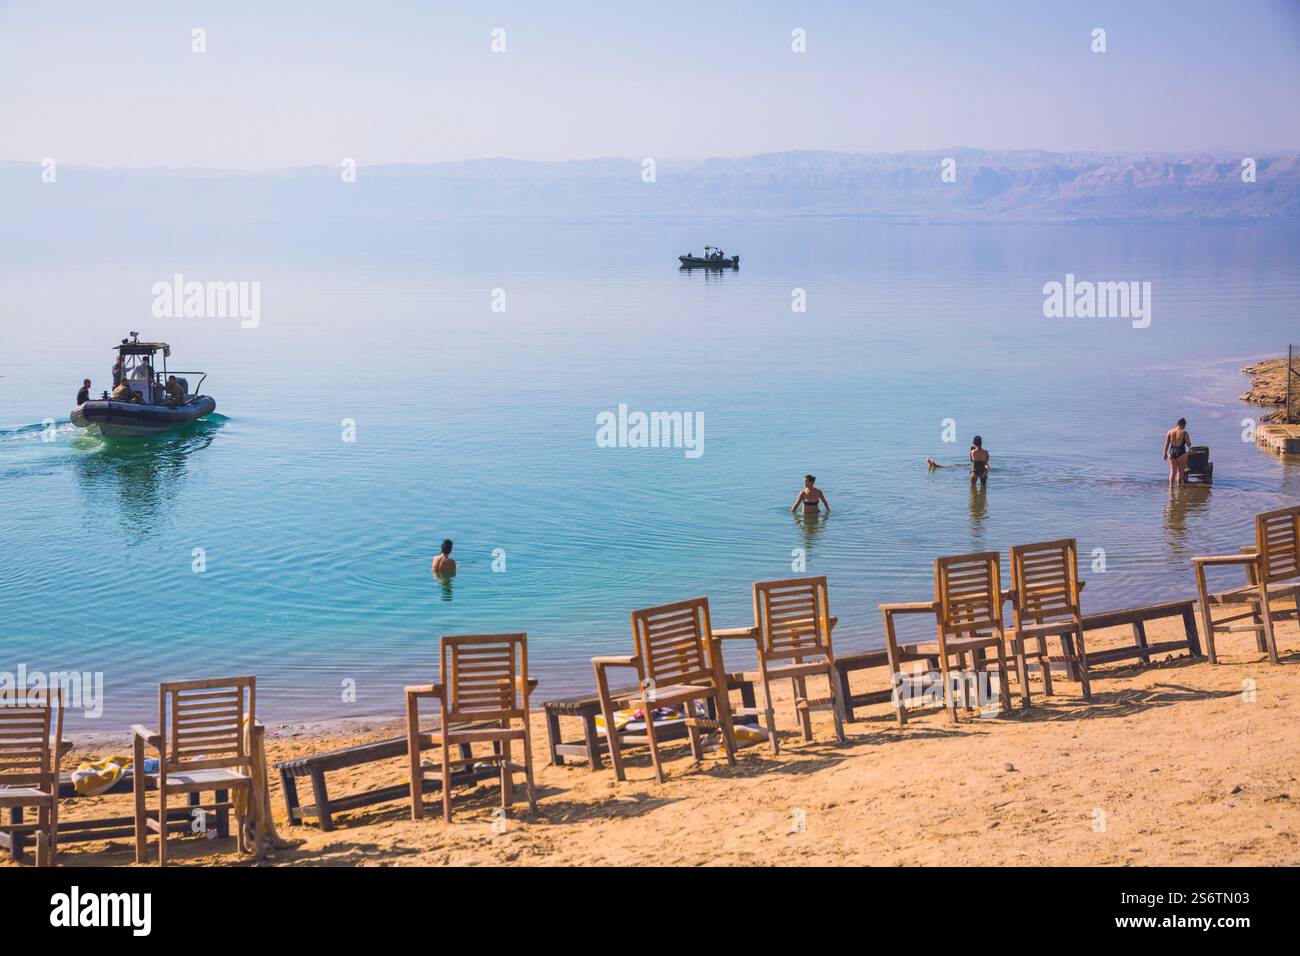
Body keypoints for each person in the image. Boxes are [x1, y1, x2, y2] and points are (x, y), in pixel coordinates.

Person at [1163, 417, 1191, 487]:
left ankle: (1171, 488)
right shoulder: (1184, 433)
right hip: (1181, 453)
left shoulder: (1170, 431)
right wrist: (1189, 443)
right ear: (1183, 424)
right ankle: (1179, 487)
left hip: (1172, 453)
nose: (1185, 427)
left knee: (1172, 472)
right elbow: (1188, 445)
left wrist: (1164, 453)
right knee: (1180, 472)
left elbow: (1167, 443)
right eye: (1185, 425)